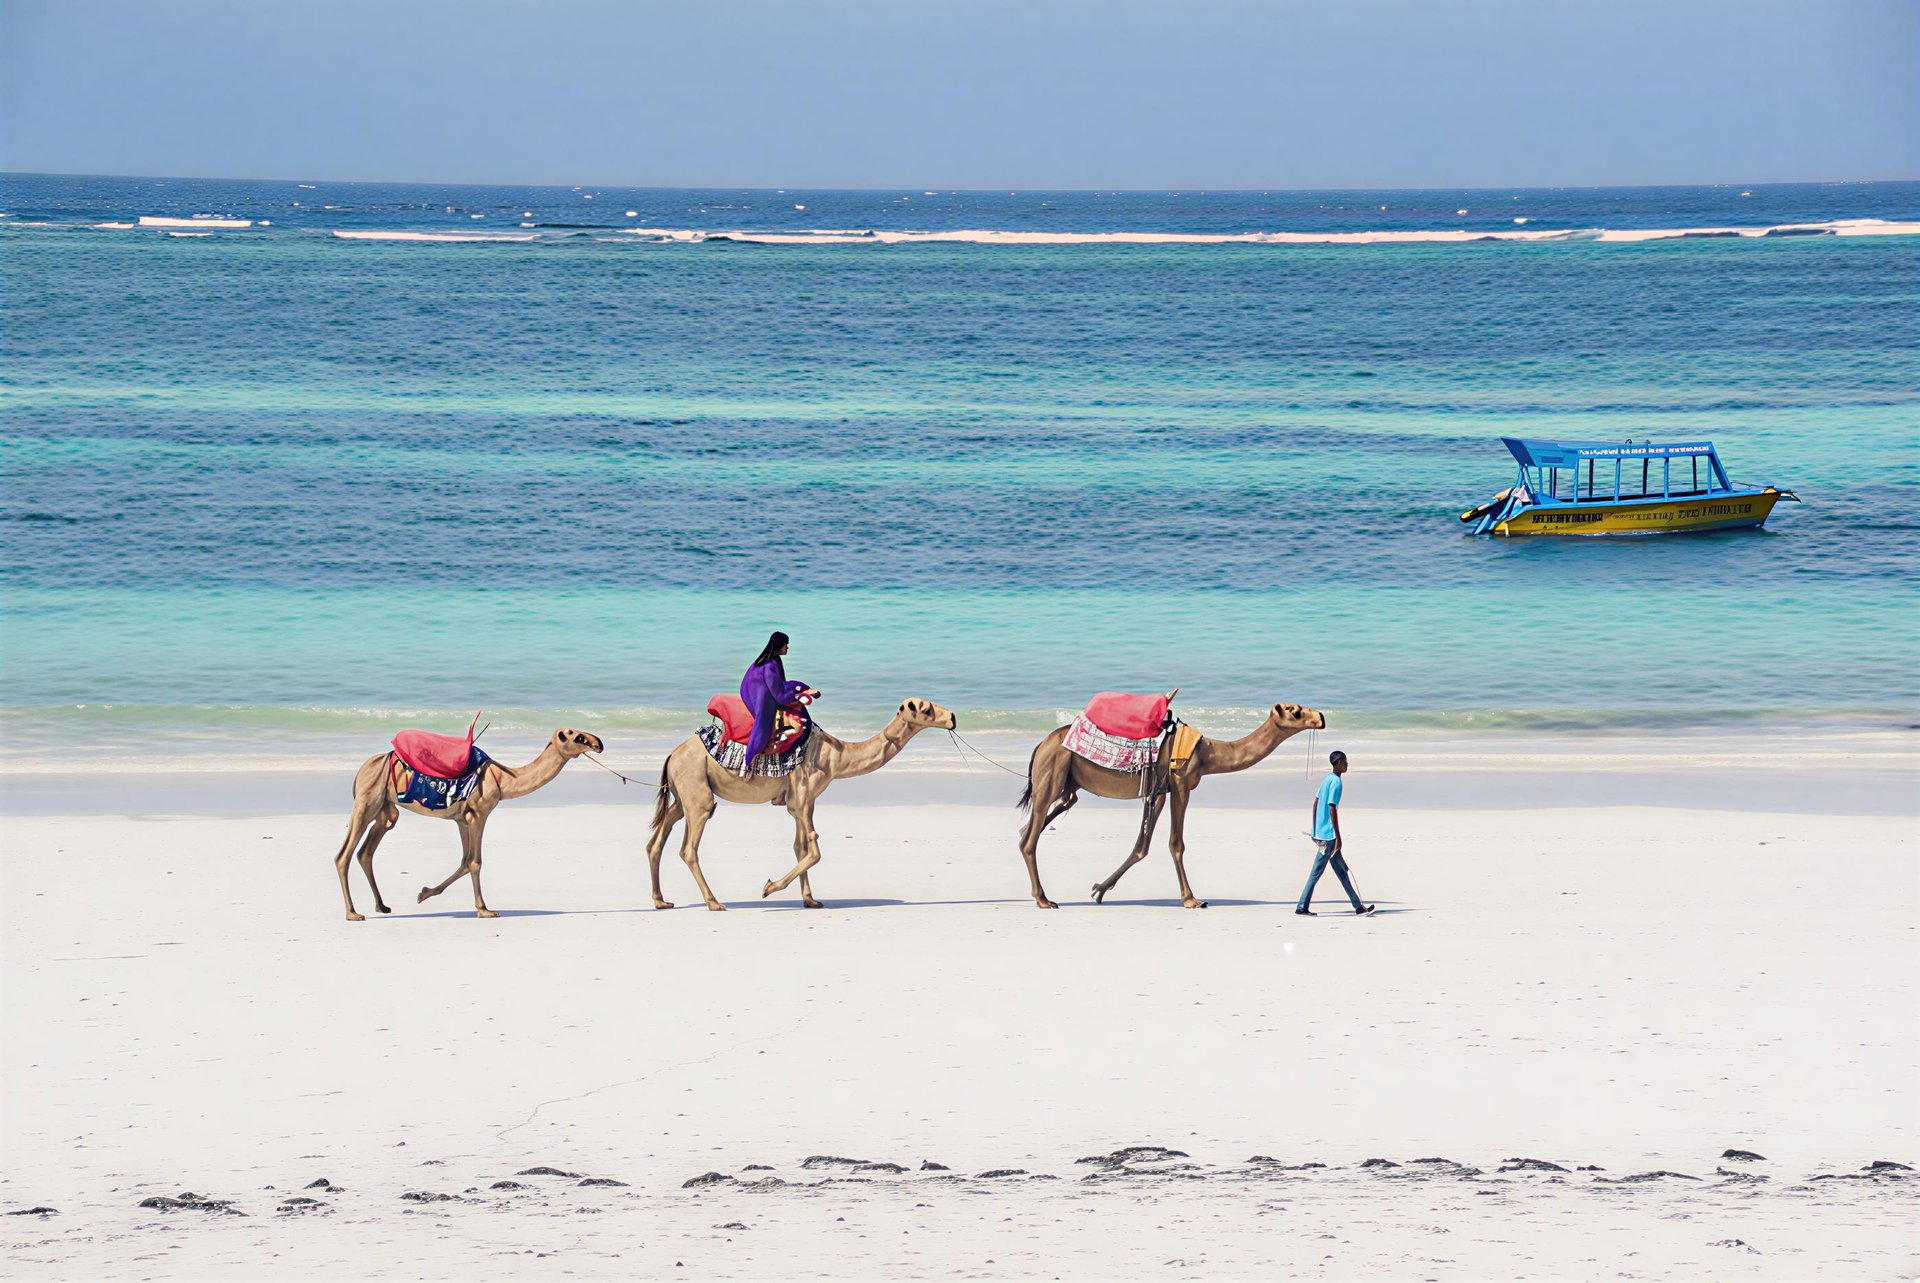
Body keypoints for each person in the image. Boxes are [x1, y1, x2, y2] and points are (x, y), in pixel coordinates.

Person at [1296, 750, 1374, 916]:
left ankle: (1358, 907)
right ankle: (1301, 907)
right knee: (1316, 873)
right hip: (1329, 838)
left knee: (1342, 872)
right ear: (1338, 763)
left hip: (1322, 834)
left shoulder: (1327, 779)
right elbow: (1332, 807)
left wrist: (1315, 829)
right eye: (1345, 762)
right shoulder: (1337, 782)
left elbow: (1315, 803)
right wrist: (1338, 837)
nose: (1347, 764)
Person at [738, 631, 820, 775]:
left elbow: (782, 684)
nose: (788, 647)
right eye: (786, 644)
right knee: (763, 725)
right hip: (758, 695)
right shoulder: (769, 666)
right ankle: (747, 763)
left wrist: (804, 688)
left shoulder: (774, 660)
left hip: (765, 690)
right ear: (779, 645)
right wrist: (799, 696)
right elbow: (781, 697)